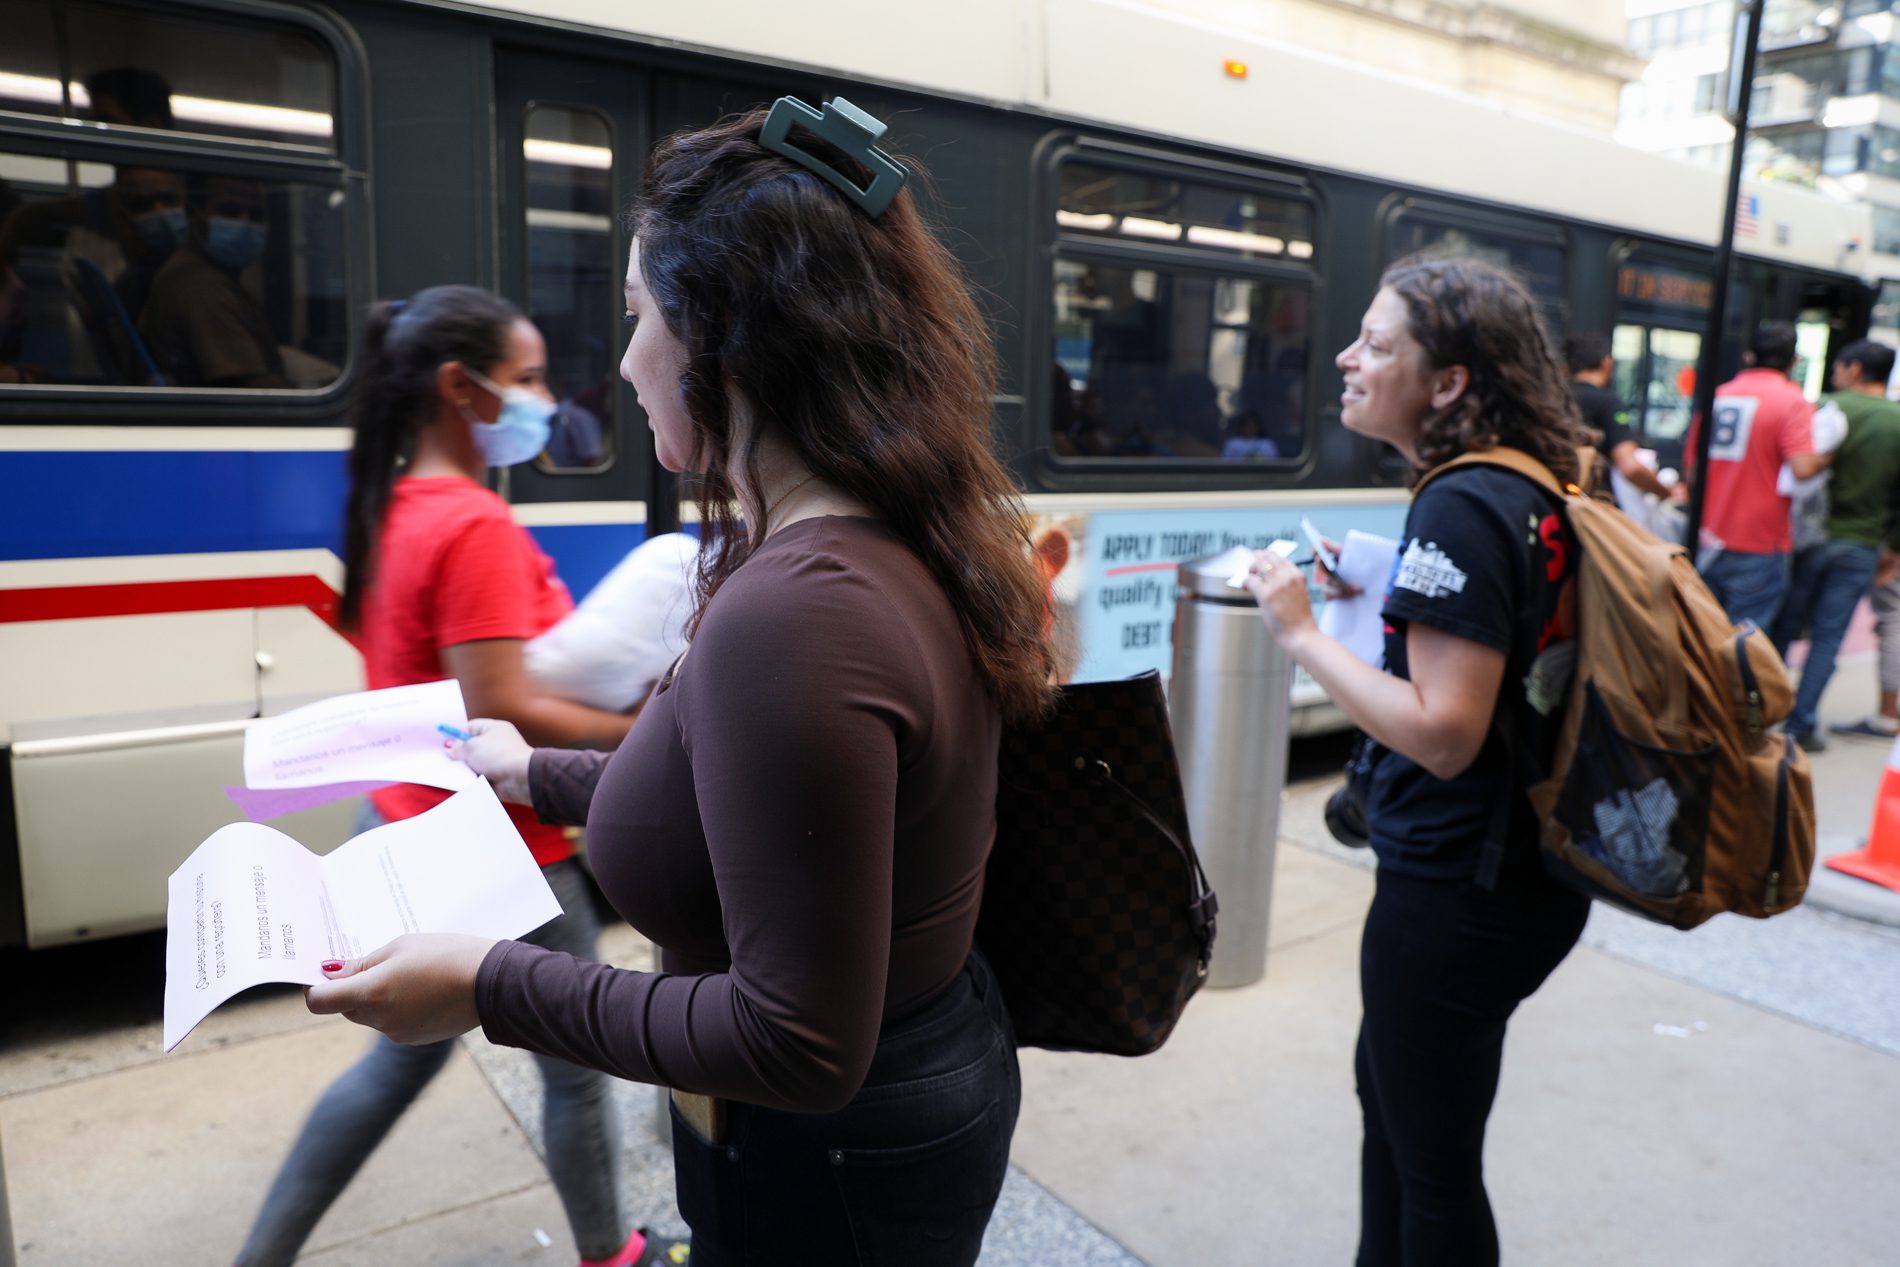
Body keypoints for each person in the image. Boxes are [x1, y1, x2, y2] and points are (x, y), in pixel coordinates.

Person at [294, 103, 1056, 1266]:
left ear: (729, 347)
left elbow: (795, 1038)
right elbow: (744, 798)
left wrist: (490, 983)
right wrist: (534, 768)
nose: (624, 361)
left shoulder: (796, 610)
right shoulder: (870, 538)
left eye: (641, 318)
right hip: (887, 1120)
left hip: (830, 1171)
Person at [234, 285, 648, 1267]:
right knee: (578, 1068)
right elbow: (512, 701)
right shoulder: (474, 526)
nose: (548, 399)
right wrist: (647, 734)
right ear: (462, 389)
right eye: (530, 378)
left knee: (395, 1068)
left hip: (406, 825)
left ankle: (261, 1257)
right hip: (506, 850)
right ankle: (611, 1254)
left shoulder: (393, 505)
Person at [1242, 255, 1595, 1266]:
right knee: (1395, 1116)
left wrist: (1301, 629)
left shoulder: (1459, 504)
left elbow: (1445, 732)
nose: (1348, 359)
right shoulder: (1528, 481)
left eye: (1377, 343)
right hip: (1511, 874)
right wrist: (1387, 589)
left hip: (1459, 890)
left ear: (1446, 383)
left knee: (1430, 1164)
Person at [1770, 339, 1900, 751]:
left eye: (1840, 366)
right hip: (1862, 544)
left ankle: (1758, 710)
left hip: (1810, 538)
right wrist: (1893, 549)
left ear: (1856, 369)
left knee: (1784, 626)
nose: (1835, 373)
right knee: (1828, 636)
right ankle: (1801, 725)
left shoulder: (1827, 407)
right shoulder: (1896, 421)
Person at [1687, 321, 1827, 628]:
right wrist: (1828, 457)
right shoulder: (1793, 401)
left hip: (1708, 536)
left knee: (1702, 635)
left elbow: (1693, 472)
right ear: (1794, 362)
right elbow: (1803, 468)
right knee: (1745, 646)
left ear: (1749, 356)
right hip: (1760, 540)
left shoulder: (1719, 395)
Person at [140, 175, 290, 387]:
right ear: (194, 213)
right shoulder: (201, 287)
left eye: (256, 215)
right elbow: (254, 388)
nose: (244, 223)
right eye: (229, 212)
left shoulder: (219, 277)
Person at [1564, 332, 1673, 507]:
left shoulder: (1554, 399)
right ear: (1607, 363)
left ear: (1565, 369)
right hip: (1593, 505)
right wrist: (1664, 492)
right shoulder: (1609, 403)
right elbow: (1630, 467)